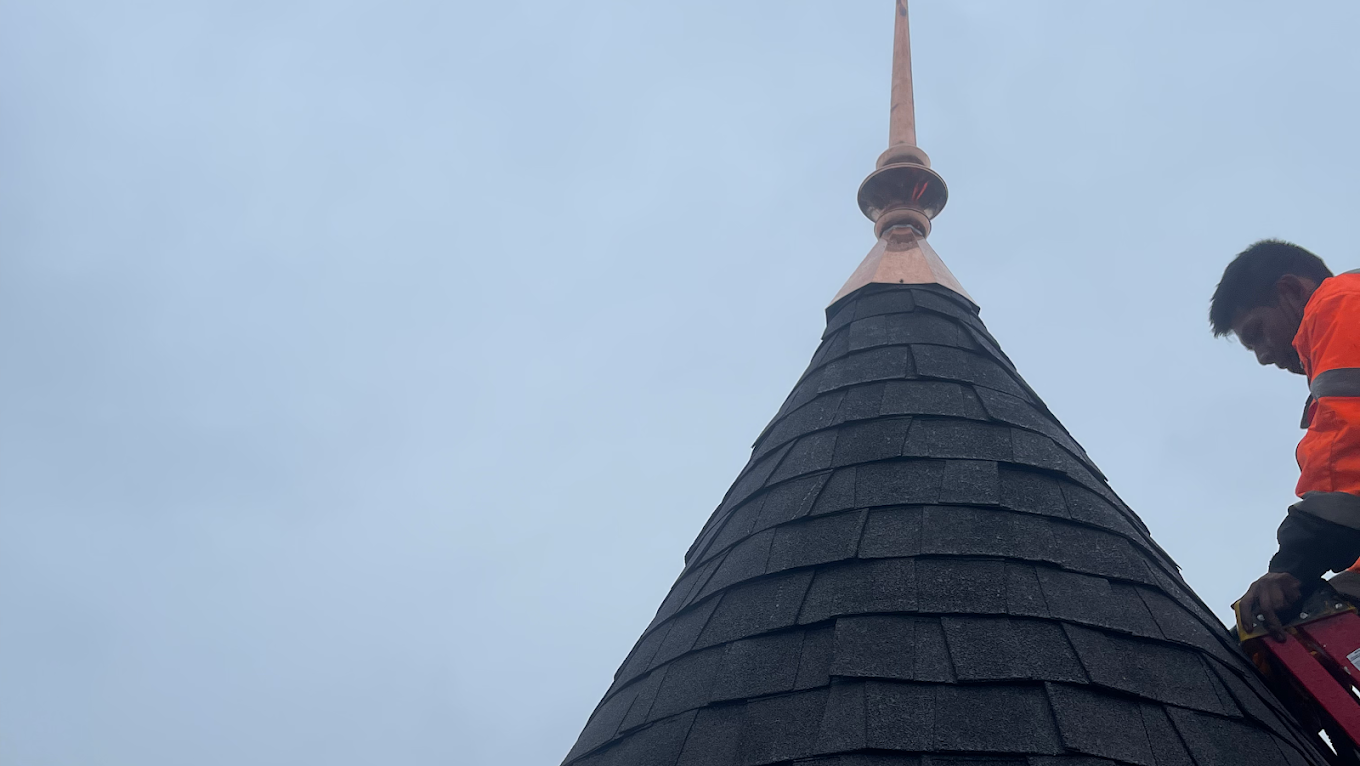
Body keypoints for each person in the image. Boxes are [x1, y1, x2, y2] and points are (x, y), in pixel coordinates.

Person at [1211, 239, 1360, 639]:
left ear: (1291, 291)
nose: (1262, 356)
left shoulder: (1338, 303)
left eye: (1256, 333)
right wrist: (1335, 597)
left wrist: (1293, 567)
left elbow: (1351, 446)